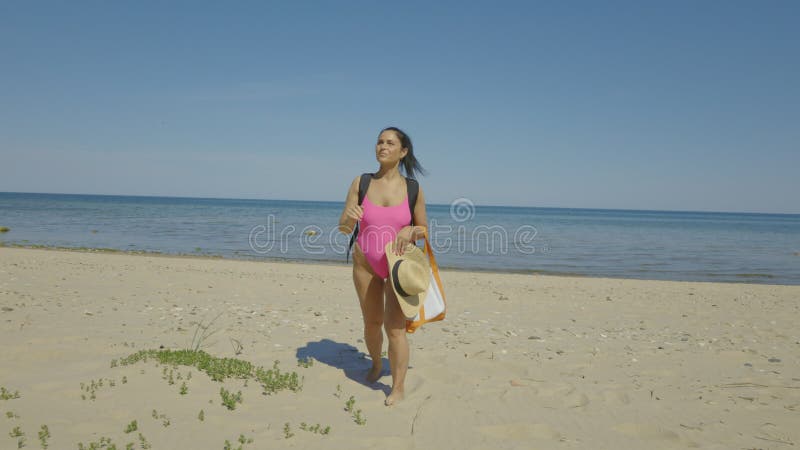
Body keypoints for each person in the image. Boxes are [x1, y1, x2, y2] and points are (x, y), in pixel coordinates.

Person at [338, 126, 427, 406]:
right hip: (365, 264)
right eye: (379, 142)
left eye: (390, 143)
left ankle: (397, 387)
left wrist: (410, 231)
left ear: (403, 152)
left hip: (398, 268)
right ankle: (376, 364)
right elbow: (343, 228)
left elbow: (424, 229)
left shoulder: (412, 188)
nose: (382, 146)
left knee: (395, 329)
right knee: (372, 323)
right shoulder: (361, 182)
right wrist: (349, 218)